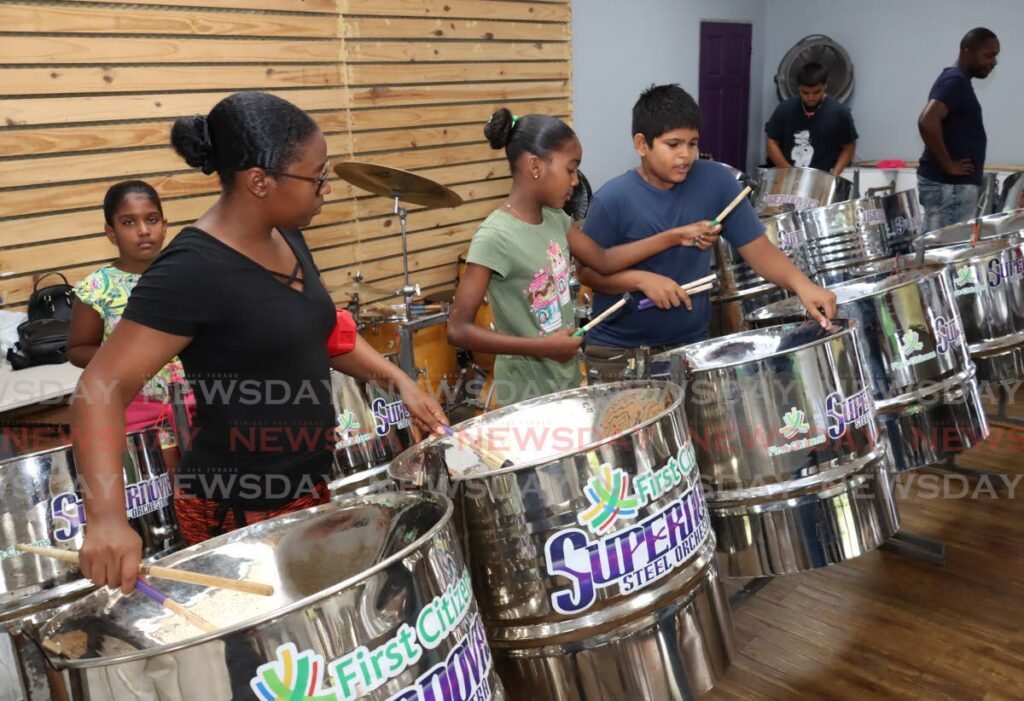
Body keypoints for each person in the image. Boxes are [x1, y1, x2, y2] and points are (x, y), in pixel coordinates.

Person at [73, 91, 449, 594]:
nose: (326, 188)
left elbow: (323, 333)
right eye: (317, 177)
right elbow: (99, 387)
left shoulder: (288, 234)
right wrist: (106, 520)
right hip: (237, 507)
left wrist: (399, 380)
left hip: (306, 483)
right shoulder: (191, 269)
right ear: (259, 181)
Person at [447, 108, 719, 407]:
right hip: (525, 398)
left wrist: (675, 236)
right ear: (535, 165)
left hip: (567, 386)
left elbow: (602, 259)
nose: (576, 181)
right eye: (570, 169)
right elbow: (458, 330)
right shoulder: (494, 236)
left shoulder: (555, 219)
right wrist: (542, 348)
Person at [578, 84, 837, 382]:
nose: (685, 155)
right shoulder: (612, 199)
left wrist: (802, 285)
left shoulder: (716, 181)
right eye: (673, 144)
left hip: (690, 348)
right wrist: (640, 281)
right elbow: (586, 272)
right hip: (620, 353)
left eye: (692, 143)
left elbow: (759, 250)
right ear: (641, 144)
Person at [68, 181, 191, 474]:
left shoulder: (187, 275)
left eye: (151, 219)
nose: (144, 230)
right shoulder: (96, 288)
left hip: (195, 402)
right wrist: (126, 359)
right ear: (111, 232)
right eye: (128, 222)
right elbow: (76, 349)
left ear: (165, 225)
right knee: (165, 489)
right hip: (137, 408)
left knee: (204, 492)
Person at [917, 27, 1000, 231]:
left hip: (951, 188)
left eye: (995, 56)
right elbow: (927, 121)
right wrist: (948, 165)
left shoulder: (958, 82)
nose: (993, 62)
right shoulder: (955, 82)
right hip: (949, 187)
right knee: (942, 256)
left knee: (941, 253)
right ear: (967, 51)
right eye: (989, 55)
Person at [765, 62, 858, 176]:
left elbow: (849, 147)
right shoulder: (785, 109)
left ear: (825, 85)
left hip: (822, 178)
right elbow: (772, 142)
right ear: (798, 88)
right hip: (789, 178)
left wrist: (834, 175)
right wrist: (788, 170)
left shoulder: (839, 112)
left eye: (816, 92)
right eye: (805, 92)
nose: (811, 97)